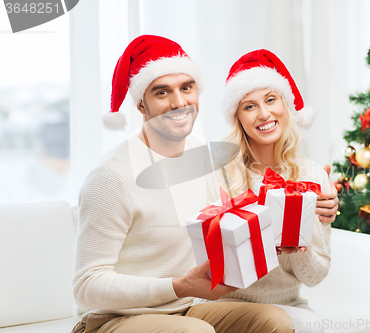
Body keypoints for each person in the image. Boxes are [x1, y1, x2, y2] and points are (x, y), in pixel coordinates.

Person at [72, 35, 296, 333]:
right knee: (195, 332)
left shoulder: (201, 157)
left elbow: (230, 217)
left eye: (186, 88)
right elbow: (87, 286)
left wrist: (297, 218)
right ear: (141, 104)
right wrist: (178, 286)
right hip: (113, 319)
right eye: (162, 92)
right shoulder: (112, 176)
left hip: (187, 308)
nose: (180, 103)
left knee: (274, 321)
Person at [216, 49, 333, 333]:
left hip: (288, 304)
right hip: (223, 306)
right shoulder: (218, 173)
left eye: (270, 99)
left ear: (285, 105)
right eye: (249, 106)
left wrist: (297, 250)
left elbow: (316, 276)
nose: (264, 114)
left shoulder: (312, 176)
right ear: (238, 117)